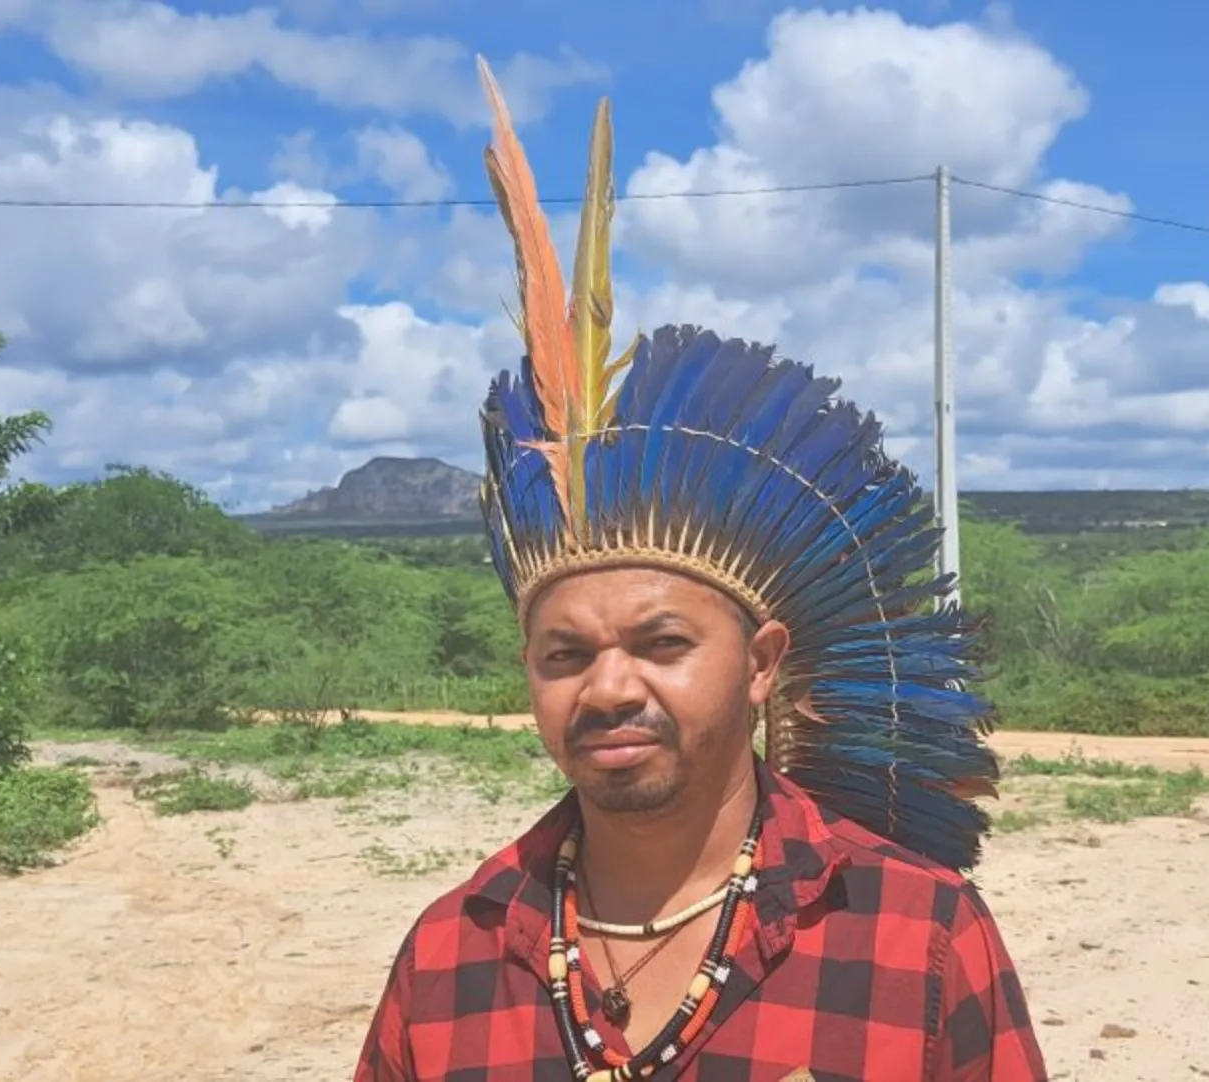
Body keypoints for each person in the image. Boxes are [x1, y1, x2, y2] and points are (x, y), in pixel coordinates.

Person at [352, 58, 1049, 1082]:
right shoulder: (453, 955)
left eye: (663, 641)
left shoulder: (918, 938)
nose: (610, 685)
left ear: (763, 661)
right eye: (564, 653)